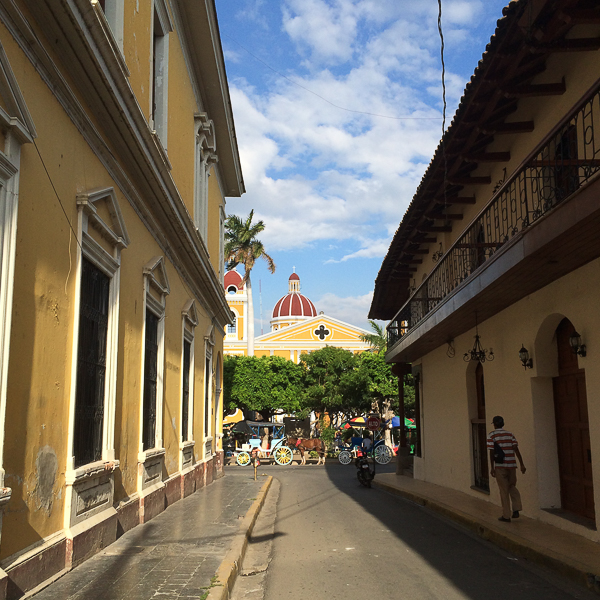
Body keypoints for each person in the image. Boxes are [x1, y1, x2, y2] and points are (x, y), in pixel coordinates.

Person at [487, 416, 526, 522]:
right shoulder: (510, 435)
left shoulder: (492, 435)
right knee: (512, 486)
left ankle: (506, 515)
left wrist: (492, 467)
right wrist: (521, 464)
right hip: (512, 466)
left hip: (500, 466)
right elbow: (516, 449)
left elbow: (491, 451)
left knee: (503, 490)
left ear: (494, 424)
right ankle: (516, 508)